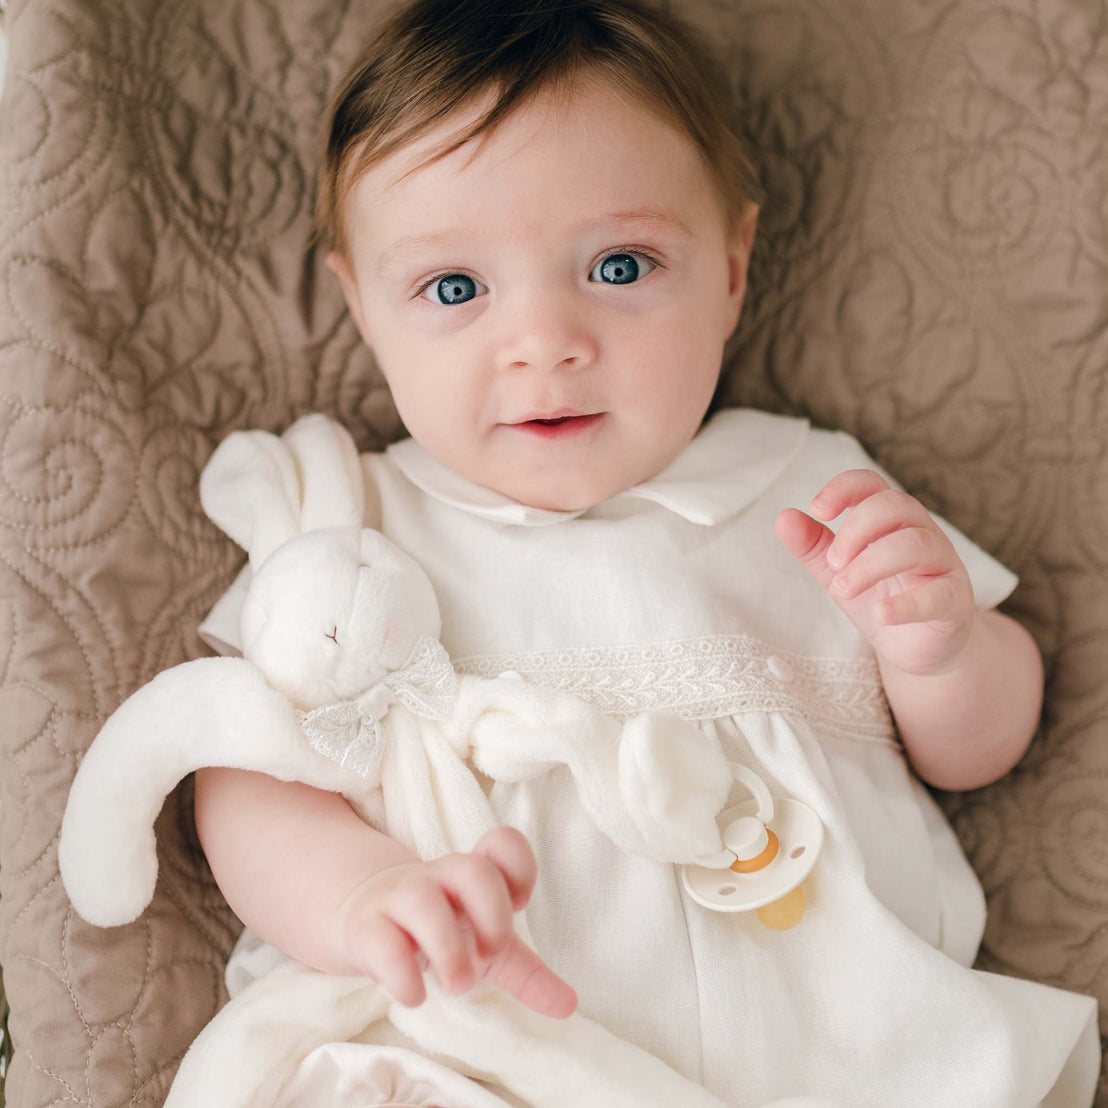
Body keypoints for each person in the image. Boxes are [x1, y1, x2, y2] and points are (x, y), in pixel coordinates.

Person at [193, 0, 1100, 1102]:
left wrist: (942, 649)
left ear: (729, 268)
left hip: (842, 1053)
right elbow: (240, 770)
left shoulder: (812, 484)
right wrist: (357, 897)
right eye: (453, 288)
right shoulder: (343, 529)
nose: (545, 343)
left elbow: (980, 745)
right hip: (483, 1044)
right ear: (363, 307)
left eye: (620, 267)